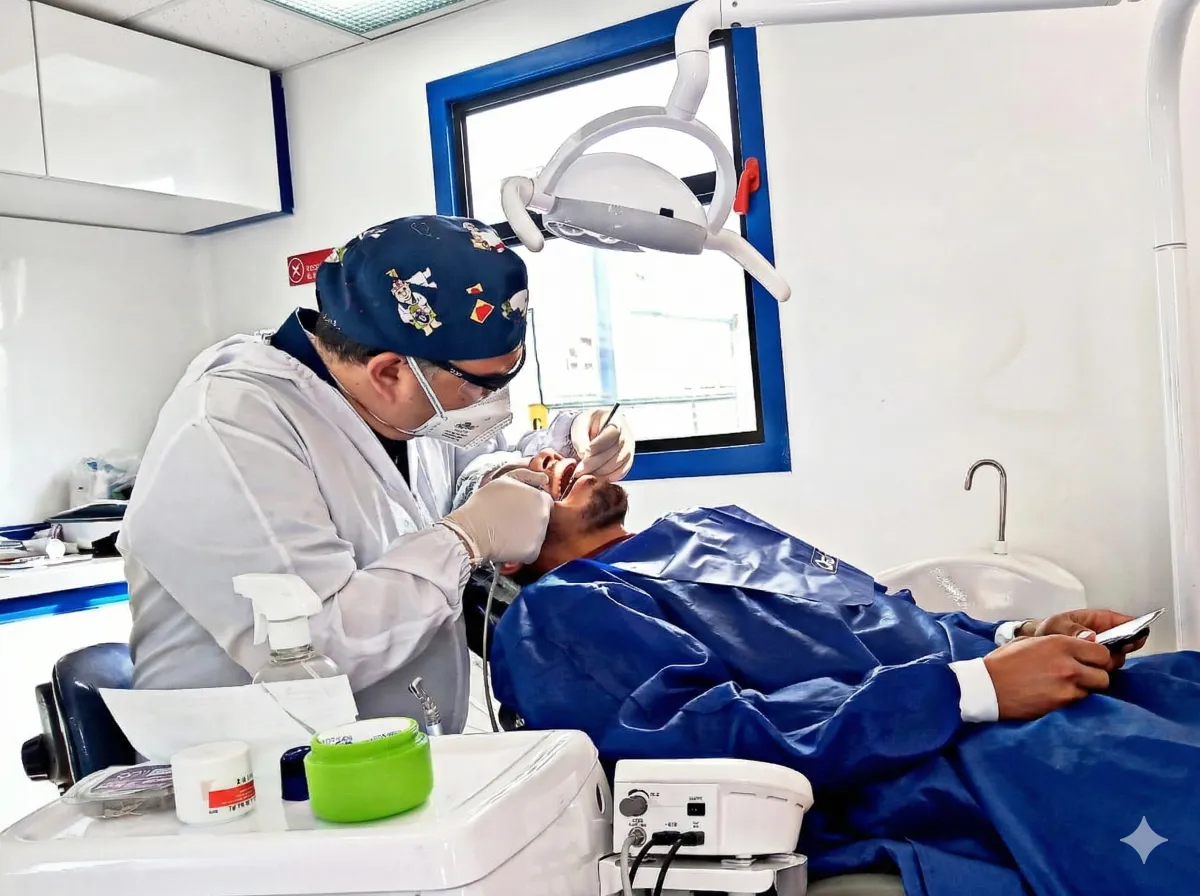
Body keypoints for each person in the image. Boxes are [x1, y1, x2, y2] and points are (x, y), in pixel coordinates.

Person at [489, 454, 1200, 896]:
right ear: (508, 548)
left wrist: (1021, 637)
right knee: (1159, 772)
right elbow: (712, 735)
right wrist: (974, 688)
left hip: (972, 701)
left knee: (1181, 681)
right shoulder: (562, 611)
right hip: (922, 756)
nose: (551, 459)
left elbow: (882, 619)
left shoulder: (709, 525)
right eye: (524, 479)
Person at [118, 215, 635, 733]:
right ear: (389, 371)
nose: (491, 404)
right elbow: (316, 650)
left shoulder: (412, 397)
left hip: (397, 748)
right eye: (482, 388)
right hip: (256, 759)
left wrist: (557, 447)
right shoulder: (229, 428)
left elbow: (466, 469)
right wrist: (466, 539)